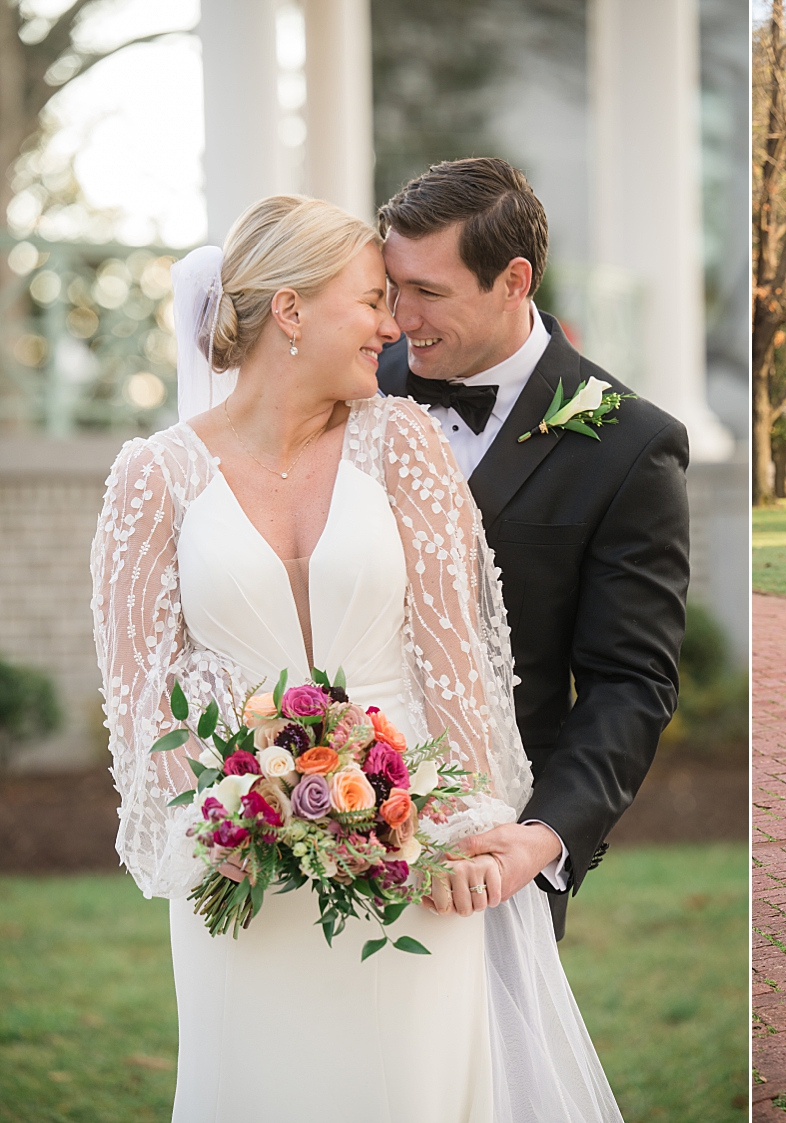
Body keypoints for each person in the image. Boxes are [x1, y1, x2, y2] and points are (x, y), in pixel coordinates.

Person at [92, 195, 622, 1121]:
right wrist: (229, 822)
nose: (393, 327)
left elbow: (461, 670)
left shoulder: (402, 442)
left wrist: (459, 828)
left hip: (414, 860)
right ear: (290, 312)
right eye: (373, 300)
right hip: (243, 883)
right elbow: (146, 703)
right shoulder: (154, 476)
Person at [373, 158, 691, 940]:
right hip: (335, 812)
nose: (398, 319)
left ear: (513, 281)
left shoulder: (630, 446)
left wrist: (542, 837)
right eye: (392, 287)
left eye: (429, 293)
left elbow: (630, 680)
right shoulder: (354, 387)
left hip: (495, 848)